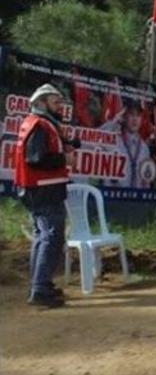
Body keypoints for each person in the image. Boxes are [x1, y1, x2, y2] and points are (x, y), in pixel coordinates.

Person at [14, 84, 79, 308]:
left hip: (41, 189)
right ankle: (40, 289)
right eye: (55, 102)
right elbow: (36, 158)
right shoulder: (40, 126)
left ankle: (41, 285)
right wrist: (65, 160)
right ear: (41, 103)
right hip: (43, 190)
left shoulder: (43, 124)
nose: (60, 106)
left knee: (43, 237)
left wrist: (67, 147)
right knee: (51, 237)